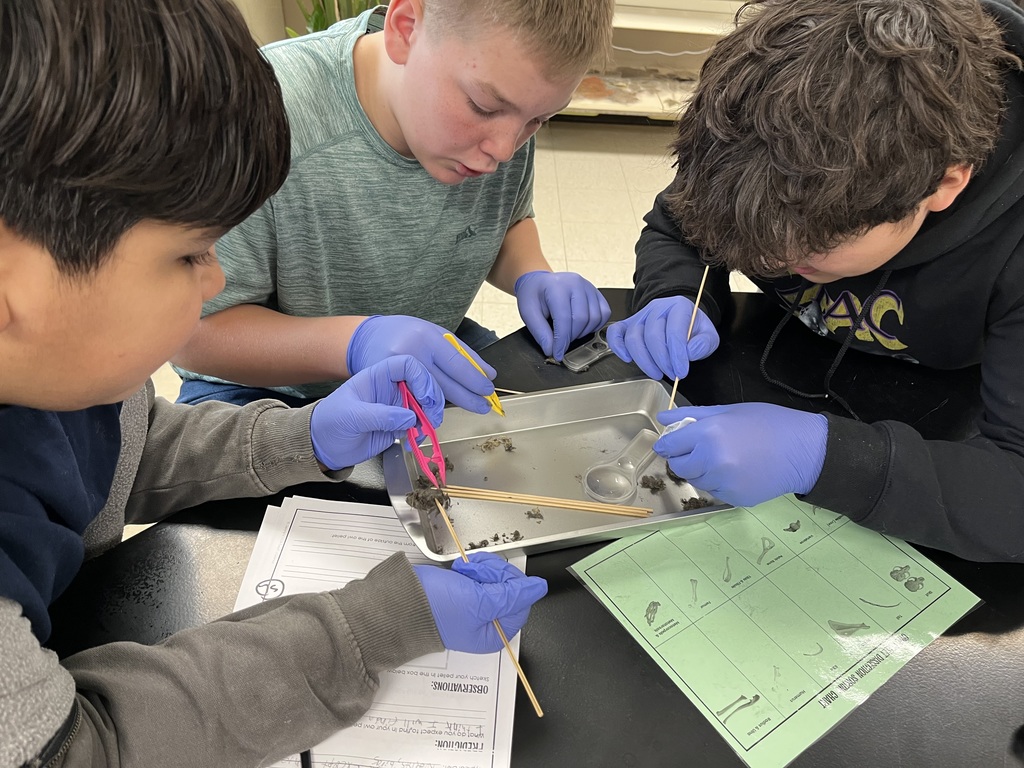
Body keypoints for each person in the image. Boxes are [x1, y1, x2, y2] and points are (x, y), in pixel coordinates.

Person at [0, 2, 547, 765]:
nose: (220, 276)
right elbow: (75, 751)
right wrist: (367, 629)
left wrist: (306, 435)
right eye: (189, 255)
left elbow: (129, 447)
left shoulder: (63, 374)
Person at [607, 0, 1024, 562]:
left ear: (944, 183)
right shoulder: (749, 127)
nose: (772, 263)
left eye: (811, 250)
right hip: (784, 367)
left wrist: (829, 458)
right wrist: (678, 292)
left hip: (952, 420)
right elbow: (678, 225)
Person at [169, 0, 616, 412]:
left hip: (423, 352)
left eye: (539, 119)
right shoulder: (259, 115)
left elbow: (506, 220)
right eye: (482, 106)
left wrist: (531, 273)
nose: (503, 149)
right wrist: (355, 343)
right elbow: (193, 334)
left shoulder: (509, 110)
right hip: (262, 389)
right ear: (406, 29)